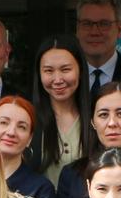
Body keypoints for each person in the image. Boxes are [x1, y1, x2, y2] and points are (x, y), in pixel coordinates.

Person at [28, 35, 92, 188]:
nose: (57, 79)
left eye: (65, 69)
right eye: (48, 71)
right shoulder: (28, 119)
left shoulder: (98, 117)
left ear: (81, 70)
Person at [74, 0, 121, 99]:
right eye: (87, 23)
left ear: (119, 30)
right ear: (77, 30)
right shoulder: (65, 76)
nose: (94, 32)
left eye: (104, 24)